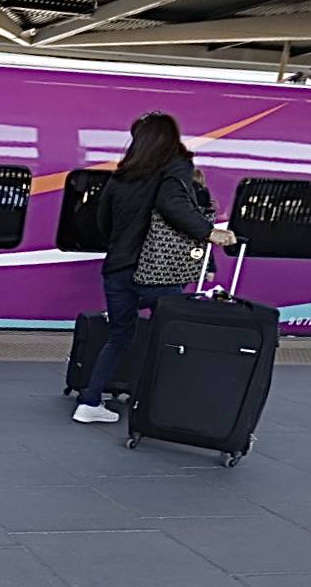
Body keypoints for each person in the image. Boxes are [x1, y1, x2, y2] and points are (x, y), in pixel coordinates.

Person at [72, 113, 236, 424]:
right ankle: (156, 409)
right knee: (168, 337)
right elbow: (174, 205)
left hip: (117, 271)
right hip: (157, 273)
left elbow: (102, 222)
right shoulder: (175, 170)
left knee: (119, 336)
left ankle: (89, 401)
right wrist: (209, 232)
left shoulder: (120, 177)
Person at [193, 168, 218, 283]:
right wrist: (211, 268)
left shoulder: (177, 198)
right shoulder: (206, 207)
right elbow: (205, 240)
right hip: (191, 262)